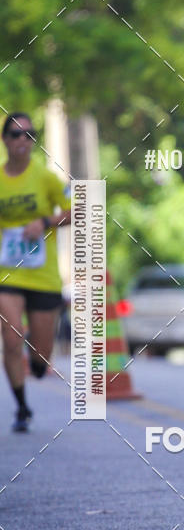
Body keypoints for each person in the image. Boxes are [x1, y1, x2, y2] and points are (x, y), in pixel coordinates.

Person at [0, 112, 71, 432]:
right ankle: (22, 407)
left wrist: (43, 222)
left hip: (43, 275)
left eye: (29, 135)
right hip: (8, 274)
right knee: (11, 337)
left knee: (40, 361)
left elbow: (76, 210)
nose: (22, 140)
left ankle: (38, 362)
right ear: (5, 140)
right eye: (15, 134)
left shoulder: (45, 178)